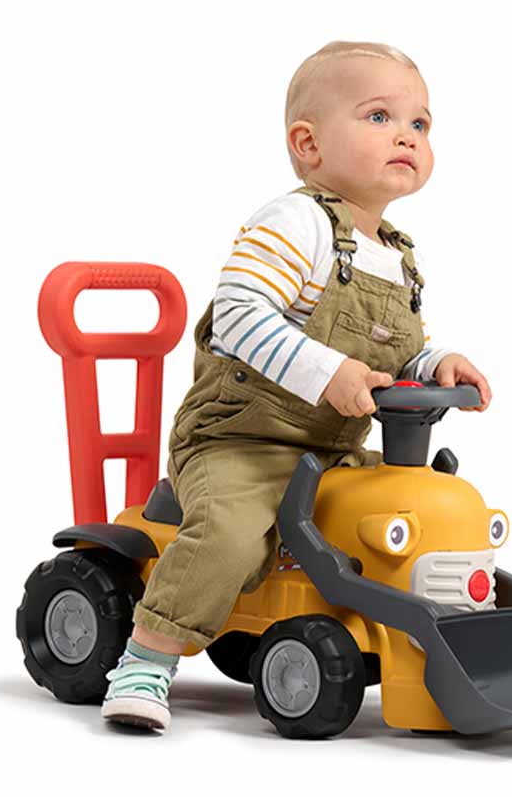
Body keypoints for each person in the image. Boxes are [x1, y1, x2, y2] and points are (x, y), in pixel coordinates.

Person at [101, 40, 492, 732]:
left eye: (421, 124)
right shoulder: (294, 223)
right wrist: (327, 372)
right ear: (308, 144)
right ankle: (147, 654)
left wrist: (436, 365)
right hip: (240, 442)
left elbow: (394, 352)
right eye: (379, 116)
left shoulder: (399, 255)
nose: (407, 134)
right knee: (228, 532)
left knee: (421, 511)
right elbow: (238, 318)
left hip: (325, 452)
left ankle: (449, 642)